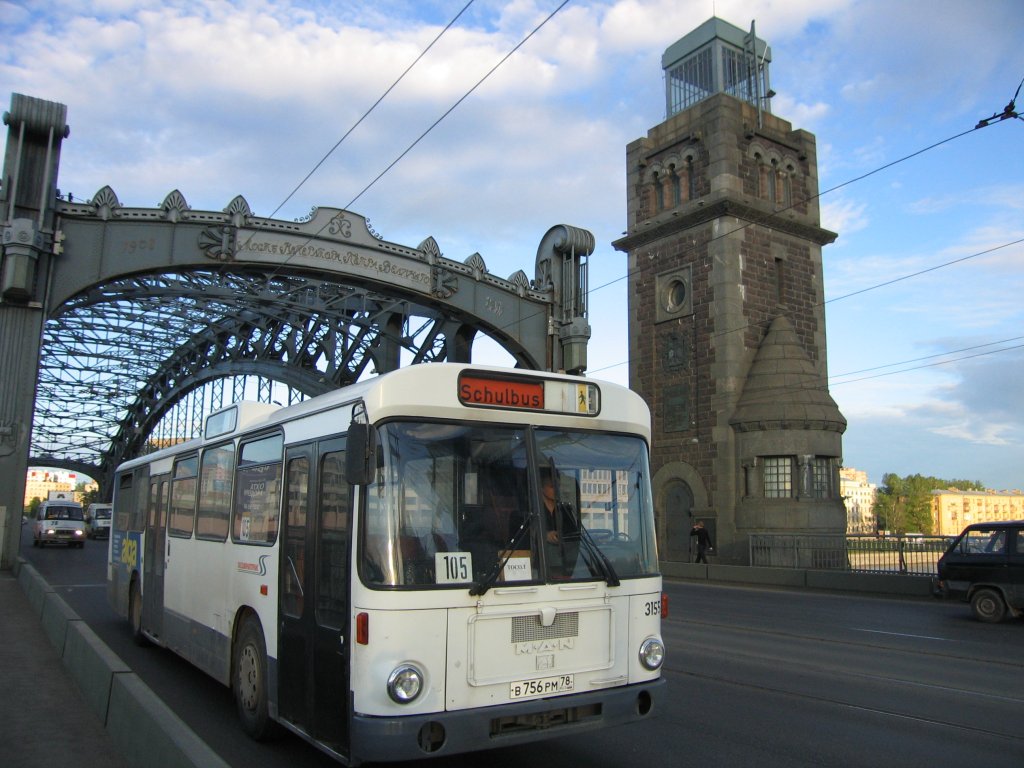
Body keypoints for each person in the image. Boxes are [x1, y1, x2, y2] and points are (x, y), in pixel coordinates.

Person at [540, 476, 580, 577]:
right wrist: (544, 536)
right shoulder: (532, 510)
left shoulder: (565, 509)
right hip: (540, 567)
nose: (557, 489)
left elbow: (573, 536)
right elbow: (526, 535)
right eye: (552, 486)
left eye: (558, 486)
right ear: (541, 488)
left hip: (565, 565)